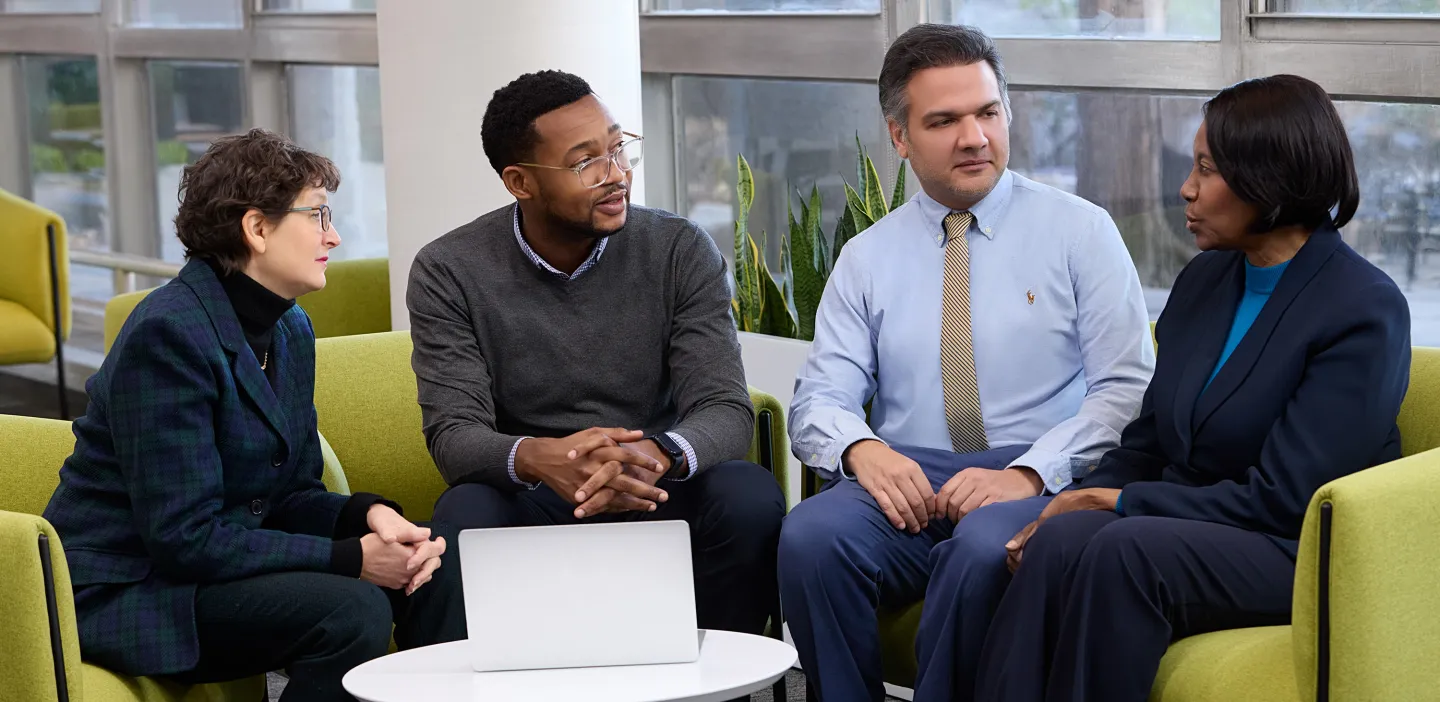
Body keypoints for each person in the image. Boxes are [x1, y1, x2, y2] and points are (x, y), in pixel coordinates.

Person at [974, 74, 1411, 702]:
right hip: (1189, 524)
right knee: (1059, 539)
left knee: (1123, 549)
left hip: (1293, 546)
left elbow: (1289, 499)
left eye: (1206, 170)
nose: (1186, 188)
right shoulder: (1205, 280)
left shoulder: (1363, 309)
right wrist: (1085, 495)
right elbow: (1149, 440)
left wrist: (1117, 503)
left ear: (1271, 180)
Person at [779, 23, 1155, 702]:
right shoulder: (867, 256)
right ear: (900, 138)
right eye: (945, 120)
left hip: (1034, 475)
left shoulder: (1081, 232)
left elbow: (1125, 390)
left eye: (987, 112)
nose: (974, 137)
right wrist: (863, 450)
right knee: (809, 536)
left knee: (983, 549)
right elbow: (818, 402)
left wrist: (1029, 470)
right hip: (908, 486)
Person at [42, 129, 466, 702]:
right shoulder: (167, 333)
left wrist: (368, 518)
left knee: (433, 574)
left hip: (207, 569)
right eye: (317, 216)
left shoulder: (290, 328)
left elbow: (290, 495)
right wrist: (350, 559)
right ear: (257, 227)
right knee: (351, 609)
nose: (334, 236)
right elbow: (183, 538)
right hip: (131, 588)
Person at [408, 70, 784, 639]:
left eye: (617, 148)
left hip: (657, 481)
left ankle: (711, 689)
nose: (617, 176)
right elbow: (454, 435)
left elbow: (725, 407)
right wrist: (543, 458)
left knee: (748, 495)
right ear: (520, 182)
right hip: (538, 490)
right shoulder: (449, 270)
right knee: (465, 513)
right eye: (586, 162)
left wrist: (657, 455)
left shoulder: (678, 249)